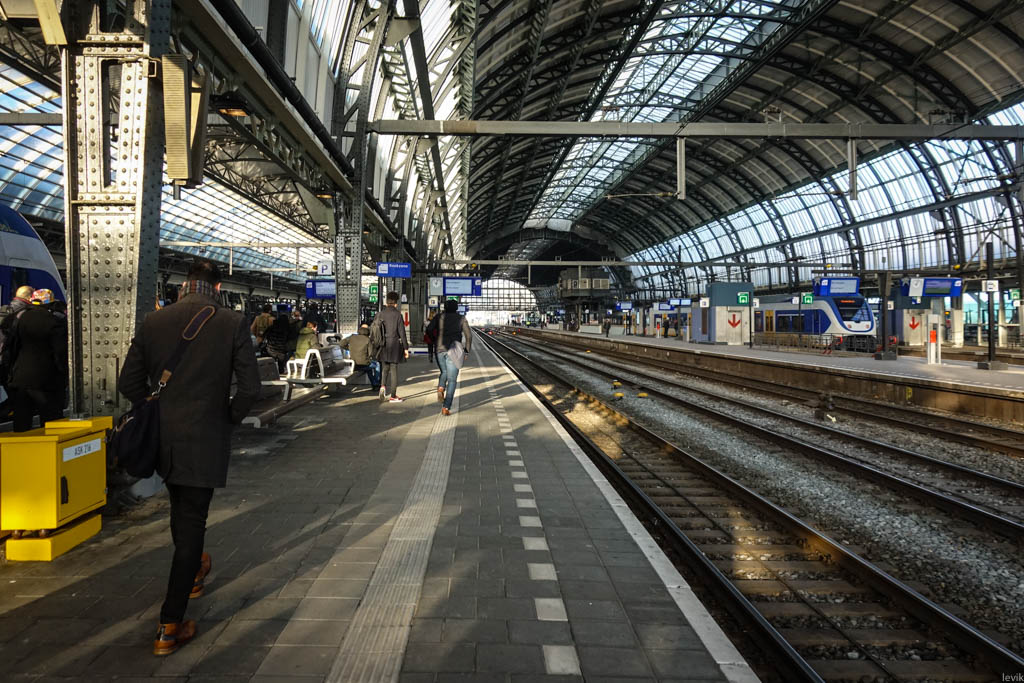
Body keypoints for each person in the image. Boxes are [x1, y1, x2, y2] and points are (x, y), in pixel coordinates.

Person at [118, 259, 260, 657]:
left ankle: (194, 571)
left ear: (184, 286)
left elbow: (128, 382)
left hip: (163, 438)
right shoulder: (232, 322)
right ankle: (170, 624)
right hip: (205, 437)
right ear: (218, 289)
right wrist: (227, 418)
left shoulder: (154, 321)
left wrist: (156, 411)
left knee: (181, 510)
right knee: (192, 519)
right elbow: (250, 388)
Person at [6, 288, 67, 432]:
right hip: (46, 380)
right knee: (50, 421)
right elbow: (60, 352)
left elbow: (12, 347)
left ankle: (20, 444)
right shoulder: (54, 321)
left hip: (20, 378)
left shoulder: (19, 318)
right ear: (50, 303)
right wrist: (63, 374)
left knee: (21, 420)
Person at [425, 298, 472, 416]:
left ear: (445, 308)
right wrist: (466, 351)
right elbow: (469, 336)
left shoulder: (439, 317)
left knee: (444, 371)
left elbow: (429, 329)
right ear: (456, 308)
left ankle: (441, 387)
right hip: (454, 350)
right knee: (452, 380)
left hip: (439, 348)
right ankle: (446, 407)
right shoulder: (461, 318)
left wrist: (434, 340)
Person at [0, 285, 36, 417]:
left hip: (3, 358)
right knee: (19, 397)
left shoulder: (4, 310)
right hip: (14, 360)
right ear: (29, 297)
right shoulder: (25, 313)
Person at [371, 291, 408, 402]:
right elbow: (402, 333)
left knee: (385, 368)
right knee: (393, 369)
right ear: (396, 303)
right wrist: (406, 348)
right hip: (394, 344)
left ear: (387, 302)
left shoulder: (379, 314)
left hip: (382, 345)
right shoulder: (398, 315)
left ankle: (382, 386)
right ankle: (393, 396)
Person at [339, 324, 381, 390]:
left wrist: (349, 348)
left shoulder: (352, 337)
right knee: (377, 364)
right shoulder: (368, 339)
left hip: (353, 365)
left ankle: (375, 384)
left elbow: (341, 343)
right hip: (364, 364)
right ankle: (377, 383)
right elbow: (371, 354)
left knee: (369, 370)